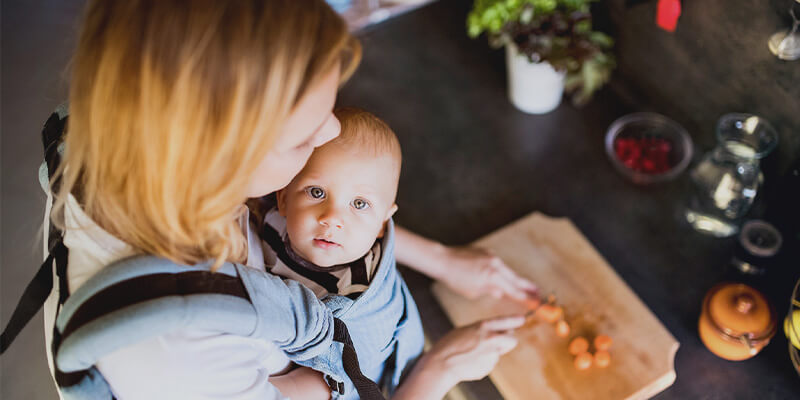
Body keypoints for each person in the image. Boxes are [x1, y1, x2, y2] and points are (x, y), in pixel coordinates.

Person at [43, 1, 538, 399]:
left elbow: (317, 214)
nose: (333, 129)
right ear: (222, 156)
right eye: (303, 140)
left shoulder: (138, 155)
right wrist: (435, 371)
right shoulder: (177, 359)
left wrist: (441, 259)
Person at [252, 107, 421, 397]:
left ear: (382, 223)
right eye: (316, 192)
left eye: (359, 204)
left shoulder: (353, 297)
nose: (331, 218)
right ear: (283, 197)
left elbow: (335, 380)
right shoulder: (267, 215)